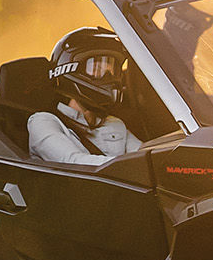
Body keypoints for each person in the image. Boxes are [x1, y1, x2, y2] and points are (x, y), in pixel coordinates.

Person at [28, 27, 145, 165]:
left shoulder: (115, 124)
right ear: (71, 69)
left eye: (112, 70)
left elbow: (145, 157)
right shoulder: (43, 122)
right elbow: (74, 163)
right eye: (97, 69)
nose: (109, 77)